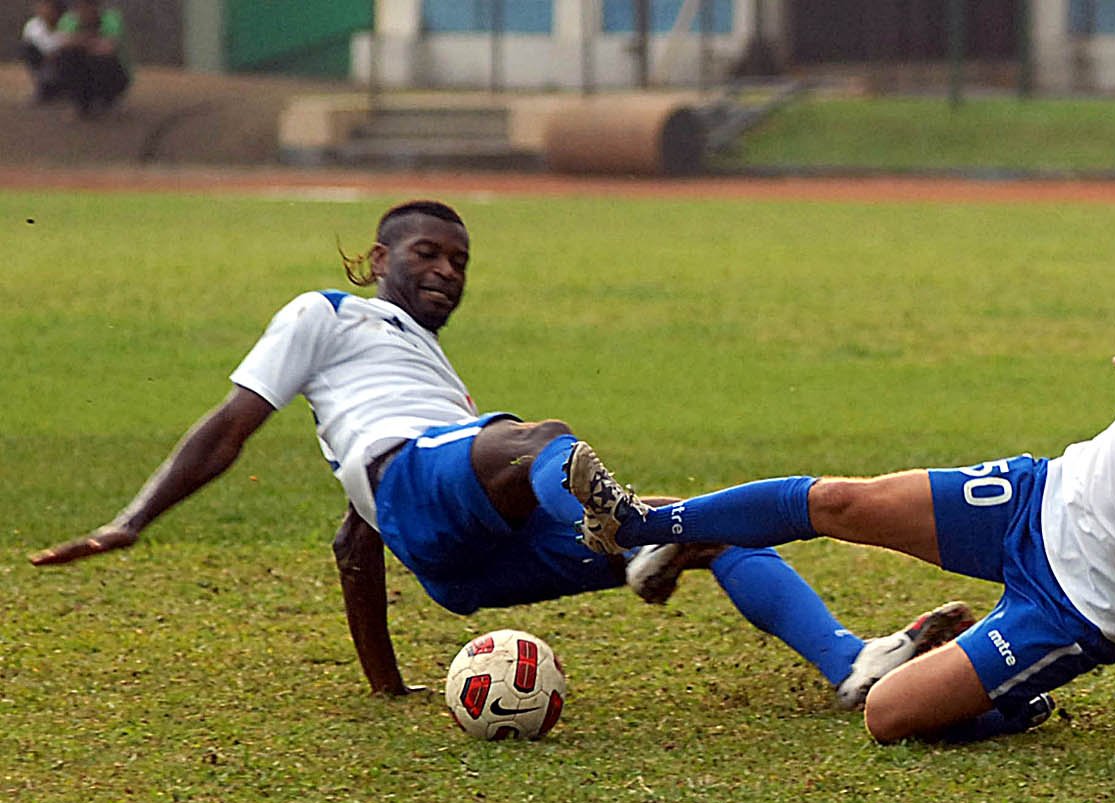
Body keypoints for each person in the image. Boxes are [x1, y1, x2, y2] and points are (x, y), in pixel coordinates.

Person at [29, 199, 975, 710]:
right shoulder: (329, 312)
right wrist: (132, 519)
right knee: (542, 443)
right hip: (433, 482)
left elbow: (356, 544)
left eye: (460, 262)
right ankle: (641, 539)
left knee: (715, 530)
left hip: (453, 556)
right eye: (429, 253)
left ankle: (849, 663)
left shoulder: (433, 382)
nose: (446, 270)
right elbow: (230, 422)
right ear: (379, 256)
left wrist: (385, 686)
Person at [566, 200, 1115, 760]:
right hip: (1036, 495)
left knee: (887, 715)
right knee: (838, 500)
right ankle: (638, 523)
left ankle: (1016, 700)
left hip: (1077, 603)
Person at [52, 0, 129, 117]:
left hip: (114, 73)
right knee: (65, 57)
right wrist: (90, 42)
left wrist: (78, 41)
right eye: (80, 6)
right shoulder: (69, 20)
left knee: (102, 59)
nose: (84, 10)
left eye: (89, 5)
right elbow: (60, 43)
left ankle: (109, 101)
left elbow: (108, 48)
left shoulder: (111, 19)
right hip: (84, 69)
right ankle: (81, 104)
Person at [19, 0, 66, 104]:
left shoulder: (67, 24)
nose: (45, 11)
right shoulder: (32, 26)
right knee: (28, 48)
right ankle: (43, 87)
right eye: (42, 7)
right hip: (43, 62)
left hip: (63, 63)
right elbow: (46, 51)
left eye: (49, 7)